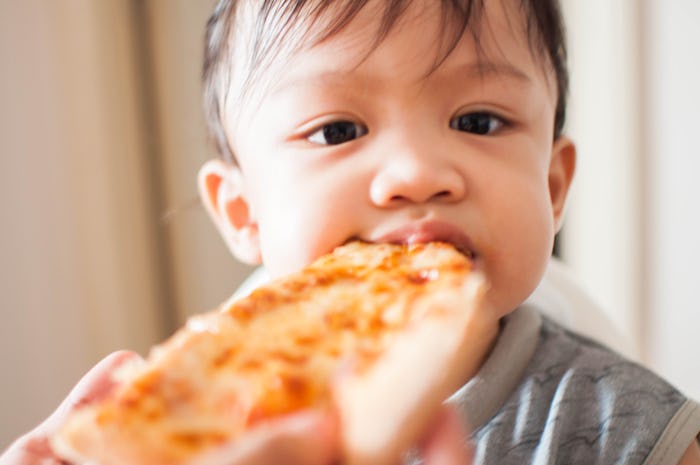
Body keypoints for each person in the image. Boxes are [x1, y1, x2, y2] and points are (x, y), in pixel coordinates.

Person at [2, 0, 699, 464]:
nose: (417, 173)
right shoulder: (200, 426)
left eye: (479, 121)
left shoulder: (633, 430)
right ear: (244, 213)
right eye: (338, 130)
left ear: (552, 188)